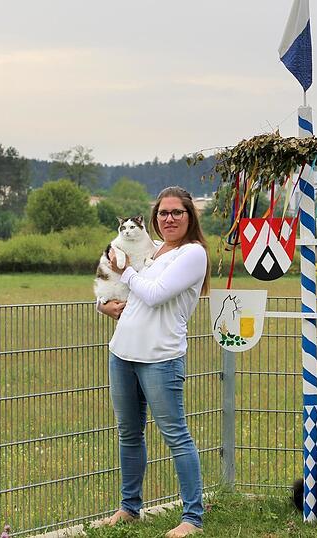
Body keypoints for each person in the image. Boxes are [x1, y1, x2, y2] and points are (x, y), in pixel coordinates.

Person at [97, 186, 210, 538]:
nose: (169, 218)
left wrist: (127, 270)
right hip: (122, 352)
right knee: (129, 434)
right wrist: (103, 305)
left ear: (190, 216)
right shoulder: (153, 250)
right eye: (163, 213)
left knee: (176, 436)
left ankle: (192, 518)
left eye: (177, 212)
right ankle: (129, 508)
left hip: (160, 357)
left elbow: (156, 294)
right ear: (154, 218)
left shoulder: (193, 254)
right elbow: (121, 288)